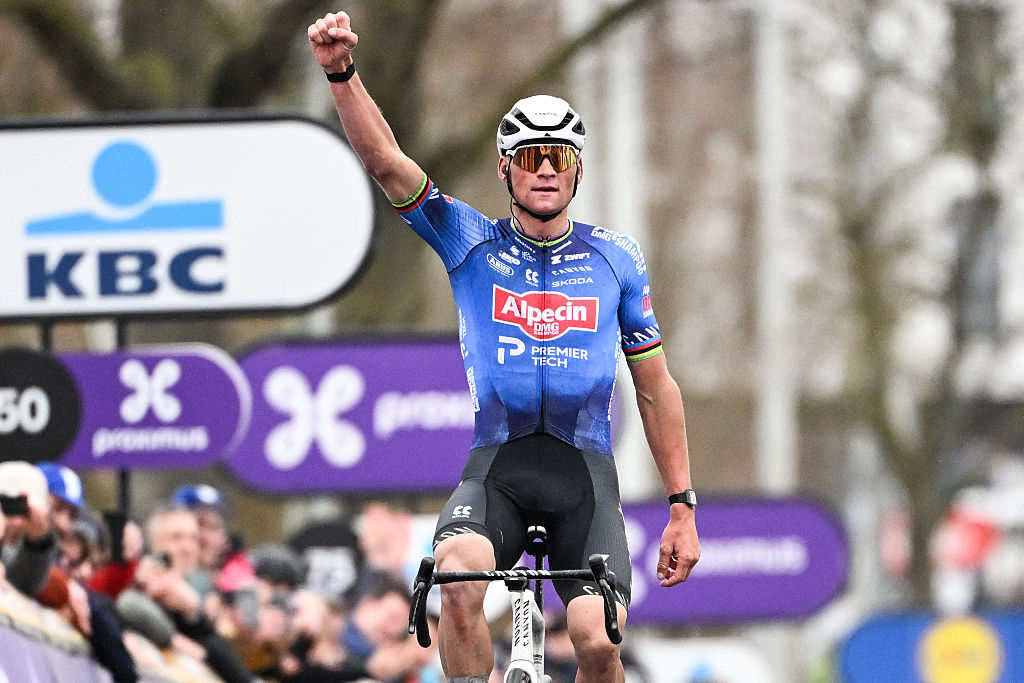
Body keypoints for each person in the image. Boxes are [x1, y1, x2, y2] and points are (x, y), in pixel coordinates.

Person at [309, 11, 701, 682]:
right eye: (529, 158)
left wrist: (682, 507)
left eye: (559, 158)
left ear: (578, 171)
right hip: (499, 470)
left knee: (598, 640)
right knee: (455, 581)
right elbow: (387, 163)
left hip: (584, 477)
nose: (544, 170)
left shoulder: (617, 259)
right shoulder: (470, 242)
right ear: (504, 169)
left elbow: (655, 387)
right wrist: (341, 73)